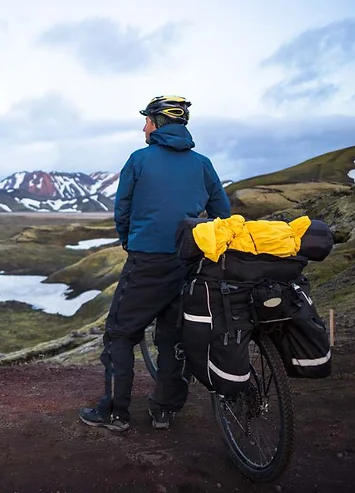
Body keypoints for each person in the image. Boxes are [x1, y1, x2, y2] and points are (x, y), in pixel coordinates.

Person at [79, 95, 231, 431]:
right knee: (174, 337)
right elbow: (224, 214)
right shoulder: (203, 163)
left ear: (159, 123)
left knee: (120, 333)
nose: (143, 126)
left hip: (147, 261)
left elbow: (123, 209)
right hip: (189, 263)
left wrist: (128, 239)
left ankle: (115, 413)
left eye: (147, 120)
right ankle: (164, 410)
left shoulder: (139, 159)